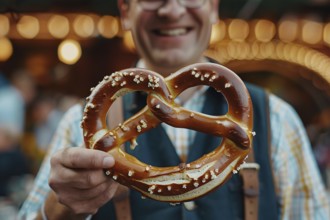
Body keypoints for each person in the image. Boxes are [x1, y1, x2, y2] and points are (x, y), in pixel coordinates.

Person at [19, 0, 330, 219]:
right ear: (126, 11)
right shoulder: (78, 125)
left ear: (213, 8)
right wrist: (58, 211)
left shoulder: (277, 118)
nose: (172, 9)